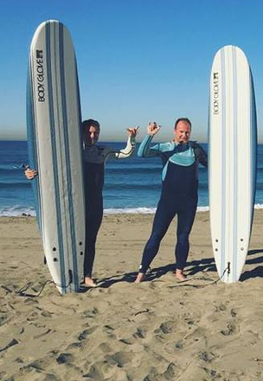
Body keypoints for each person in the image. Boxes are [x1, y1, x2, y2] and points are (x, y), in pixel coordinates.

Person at [25, 119, 138, 287]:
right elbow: (50, 164)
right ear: (81, 133)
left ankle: (87, 276)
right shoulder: (72, 151)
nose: (92, 136)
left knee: (90, 240)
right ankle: (63, 269)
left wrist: (132, 138)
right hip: (75, 202)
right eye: (89, 132)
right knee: (70, 237)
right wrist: (30, 170)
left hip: (95, 203)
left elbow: (126, 153)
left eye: (95, 132)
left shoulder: (103, 151)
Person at [135, 118, 207, 283]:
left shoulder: (195, 149)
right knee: (156, 236)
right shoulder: (166, 148)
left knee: (183, 237)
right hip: (168, 201)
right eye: (181, 131)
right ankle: (142, 271)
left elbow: (212, 164)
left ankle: (179, 271)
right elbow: (142, 153)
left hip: (189, 202)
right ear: (175, 131)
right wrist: (149, 136)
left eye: (187, 131)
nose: (184, 134)